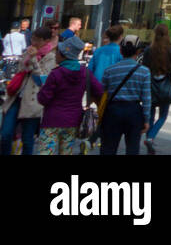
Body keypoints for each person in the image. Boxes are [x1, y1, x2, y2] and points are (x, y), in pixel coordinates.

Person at [36, 36, 102, 155]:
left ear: (63, 55)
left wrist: (41, 88)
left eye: (57, 52)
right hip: (72, 121)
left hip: (52, 120)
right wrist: (89, 101)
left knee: (45, 152)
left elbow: (43, 99)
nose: (55, 55)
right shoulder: (85, 72)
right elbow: (99, 90)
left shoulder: (56, 74)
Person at [1, 25, 56, 155]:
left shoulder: (51, 57)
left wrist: (33, 60)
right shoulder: (28, 51)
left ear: (46, 41)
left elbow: (41, 80)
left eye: (37, 40)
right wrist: (27, 59)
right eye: (33, 39)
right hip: (16, 97)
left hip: (33, 101)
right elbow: (21, 71)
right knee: (6, 134)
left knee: (27, 138)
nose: (34, 43)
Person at [99, 40, 151, 155]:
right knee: (132, 148)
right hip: (134, 112)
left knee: (108, 148)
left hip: (113, 111)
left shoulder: (109, 70)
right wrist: (146, 119)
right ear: (138, 52)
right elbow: (146, 98)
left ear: (121, 51)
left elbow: (103, 92)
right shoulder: (144, 72)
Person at [142, 24, 171, 154]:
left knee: (151, 115)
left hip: (151, 85)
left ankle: (149, 138)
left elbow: (144, 68)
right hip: (165, 84)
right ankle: (151, 137)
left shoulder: (149, 49)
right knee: (163, 115)